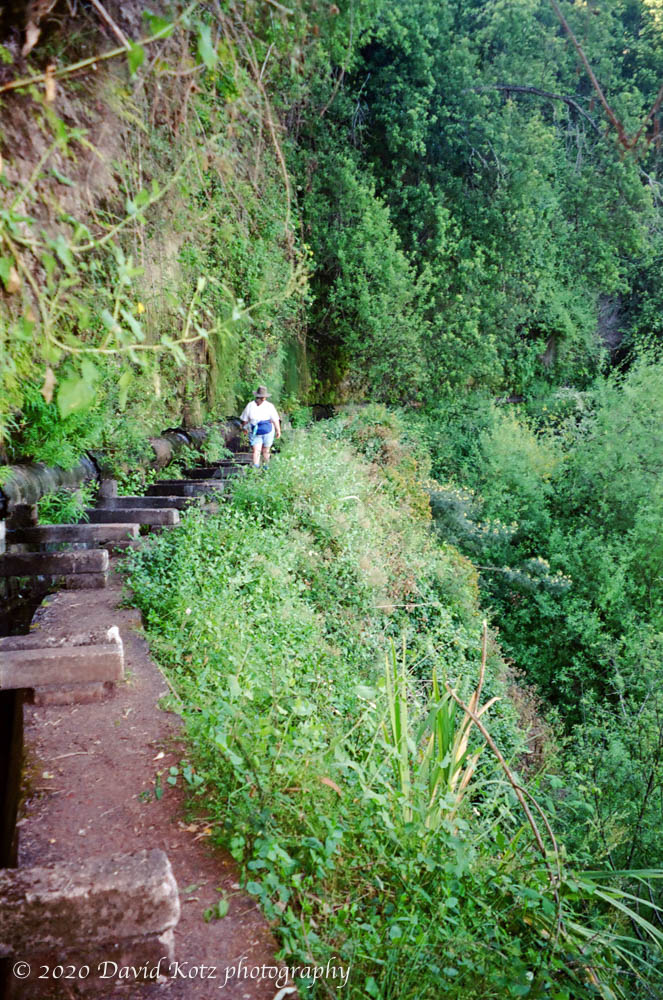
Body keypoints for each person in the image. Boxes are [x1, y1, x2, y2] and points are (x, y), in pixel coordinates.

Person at [240, 386, 281, 469]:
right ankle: (256, 468)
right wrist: (244, 428)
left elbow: (275, 419)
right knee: (256, 450)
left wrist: (278, 430)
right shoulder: (250, 405)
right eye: (260, 397)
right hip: (255, 431)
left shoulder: (269, 406)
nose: (262, 399)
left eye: (263, 397)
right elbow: (245, 419)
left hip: (268, 430)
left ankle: (266, 467)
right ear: (257, 396)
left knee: (266, 450)